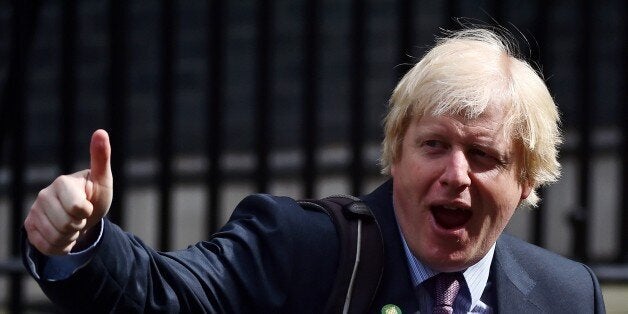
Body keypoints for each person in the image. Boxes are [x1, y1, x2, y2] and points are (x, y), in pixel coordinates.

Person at [22, 28, 605, 313]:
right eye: (433, 145)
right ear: (396, 155)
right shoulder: (299, 246)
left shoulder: (570, 296)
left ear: (527, 180)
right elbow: (162, 297)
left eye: (483, 156)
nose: (456, 174)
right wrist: (83, 240)